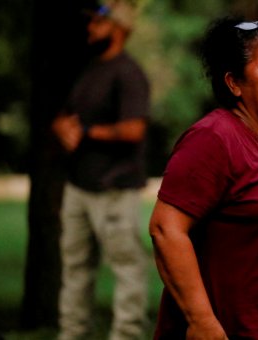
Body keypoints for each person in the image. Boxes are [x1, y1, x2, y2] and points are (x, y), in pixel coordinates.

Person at [148, 17, 258, 339]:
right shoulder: (214, 137)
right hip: (238, 329)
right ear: (234, 83)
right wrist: (201, 320)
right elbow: (166, 229)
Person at [52, 1, 150, 339]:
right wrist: (62, 127)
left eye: (97, 22)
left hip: (114, 187)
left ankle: (126, 333)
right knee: (75, 268)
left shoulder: (129, 72)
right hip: (78, 185)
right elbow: (66, 116)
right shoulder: (91, 68)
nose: (90, 28)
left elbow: (134, 129)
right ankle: (72, 333)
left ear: (118, 27)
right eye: (90, 21)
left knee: (125, 266)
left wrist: (88, 132)